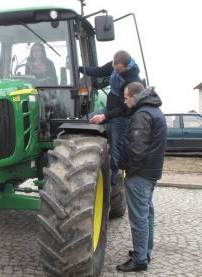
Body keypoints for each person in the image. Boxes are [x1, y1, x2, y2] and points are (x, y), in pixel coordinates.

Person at [117, 82, 167, 272]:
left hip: (140, 175)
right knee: (147, 214)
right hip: (151, 172)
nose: (124, 100)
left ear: (134, 96)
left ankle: (139, 260)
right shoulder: (154, 110)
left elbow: (136, 150)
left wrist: (128, 169)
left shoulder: (142, 115)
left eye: (125, 97)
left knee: (139, 217)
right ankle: (144, 252)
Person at [79, 50, 141, 185]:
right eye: (114, 67)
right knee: (84, 121)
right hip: (109, 109)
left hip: (122, 116)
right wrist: (79, 69)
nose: (115, 71)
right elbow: (99, 71)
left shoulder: (132, 80)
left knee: (116, 148)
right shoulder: (115, 65)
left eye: (118, 70)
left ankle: (113, 181)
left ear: (126, 67)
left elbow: (124, 107)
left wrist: (105, 116)